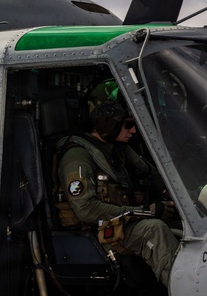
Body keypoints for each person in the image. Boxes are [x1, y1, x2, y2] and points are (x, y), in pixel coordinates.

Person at [56, 101, 179, 285]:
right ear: (109, 125)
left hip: (123, 221)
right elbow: (86, 210)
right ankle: (182, 289)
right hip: (100, 229)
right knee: (154, 230)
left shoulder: (119, 151)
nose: (133, 131)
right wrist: (145, 212)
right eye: (127, 125)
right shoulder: (77, 157)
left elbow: (155, 178)